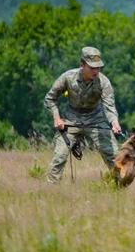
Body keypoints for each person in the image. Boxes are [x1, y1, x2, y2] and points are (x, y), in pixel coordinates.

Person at [44, 46, 121, 183]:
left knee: (114, 156)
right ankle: (50, 190)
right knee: (59, 156)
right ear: (82, 65)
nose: (96, 71)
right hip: (71, 119)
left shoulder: (104, 82)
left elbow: (109, 106)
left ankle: (120, 188)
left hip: (96, 120)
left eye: (98, 68)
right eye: (92, 68)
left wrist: (114, 123)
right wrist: (57, 118)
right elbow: (50, 98)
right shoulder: (67, 77)